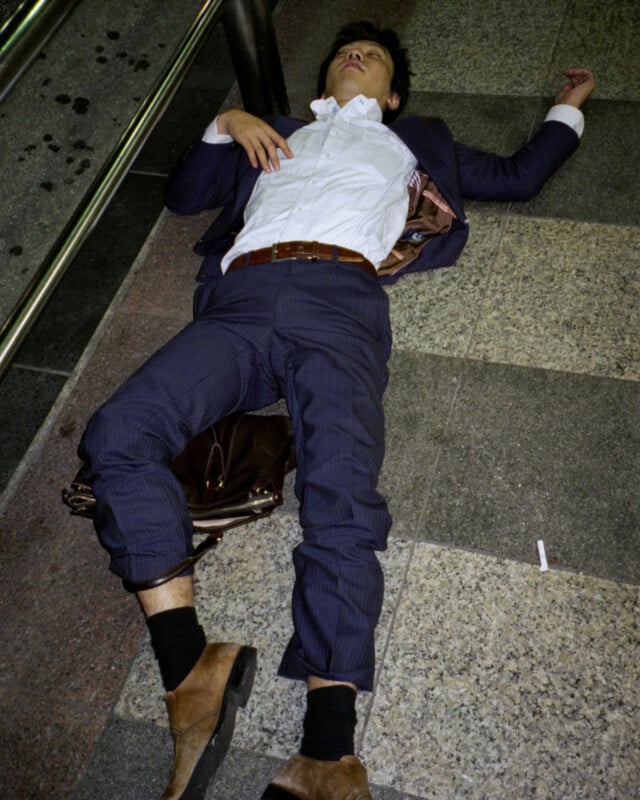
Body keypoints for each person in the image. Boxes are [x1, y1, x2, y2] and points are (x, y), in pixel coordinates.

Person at [79, 19, 595, 800]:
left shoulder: (417, 139)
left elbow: (520, 176)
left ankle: (327, 751)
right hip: (239, 302)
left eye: (375, 57)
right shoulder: (275, 130)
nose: (354, 55)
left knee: (341, 498)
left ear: (391, 94)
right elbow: (184, 195)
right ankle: (187, 664)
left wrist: (572, 106)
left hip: (338, 306)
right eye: (344, 51)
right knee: (116, 432)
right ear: (325, 79)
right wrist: (227, 124)